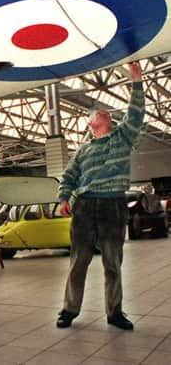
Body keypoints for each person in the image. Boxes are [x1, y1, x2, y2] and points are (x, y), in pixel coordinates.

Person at [56, 61, 145, 330]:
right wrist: (63, 198)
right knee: (78, 261)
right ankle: (69, 310)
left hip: (113, 205)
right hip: (84, 206)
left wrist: (136, 81)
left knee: (112, 262)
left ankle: (114, 312)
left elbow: (136, 114)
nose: (105, 114)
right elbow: (69, 175)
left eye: (107, 113)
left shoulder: (122, 137)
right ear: (91, 123)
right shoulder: (82, 150)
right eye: (100, 113)